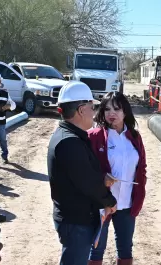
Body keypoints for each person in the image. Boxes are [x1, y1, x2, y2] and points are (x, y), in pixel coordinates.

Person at [47, 81, 117, 265]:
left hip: (75, 218)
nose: (94, 112)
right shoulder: (69, 142)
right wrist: (109, 201)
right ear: (80, 110)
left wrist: (101, 178)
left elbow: (80, 174)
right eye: (91, 106)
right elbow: (88, 183)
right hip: (76, 222)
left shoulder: (71, 136)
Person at [87, 92, 147, 265]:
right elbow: (85, 169)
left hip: (127, 204)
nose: (111, 113)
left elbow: (141, 168)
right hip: (102, 203)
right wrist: (101, 178)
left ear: (125, 112)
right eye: (107, 109)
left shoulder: (135, 137)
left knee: (126, 248)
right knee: (96, 247)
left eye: (116, 108)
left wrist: (139, 195)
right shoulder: (94, 136)